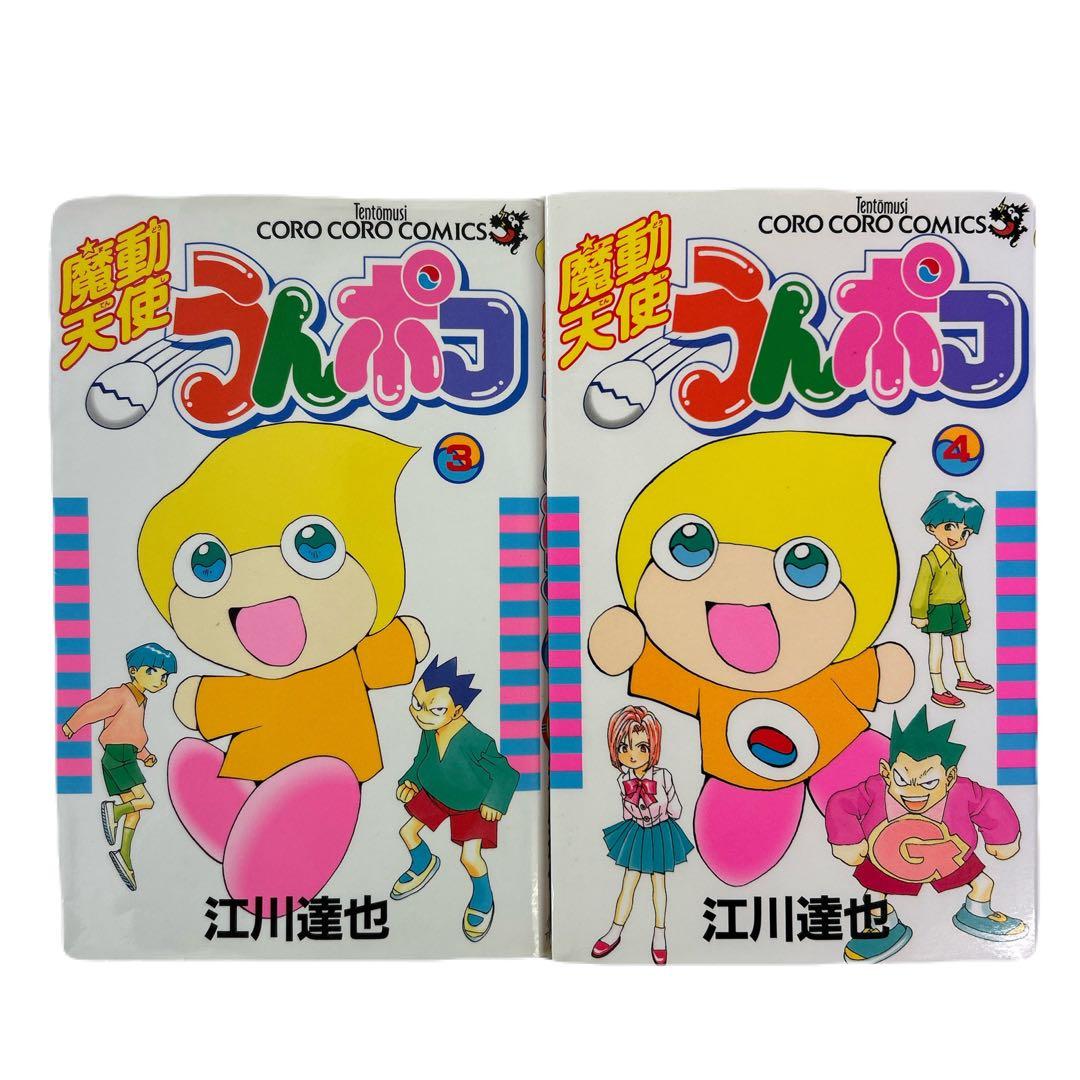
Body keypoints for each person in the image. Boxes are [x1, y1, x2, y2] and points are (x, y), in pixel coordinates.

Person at [587, 431, 915, 886]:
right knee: (738, 841)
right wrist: (628, 644)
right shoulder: (703, 680)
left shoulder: (824, 668)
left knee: (892, 794)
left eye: (805, 568)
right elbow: (643, 661)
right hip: (744, 773)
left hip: (843, 745)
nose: (741, 590)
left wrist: (884, 669)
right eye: (690, 549)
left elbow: (875, 674)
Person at [138, 422, 429, 910]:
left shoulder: (345, 660)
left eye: (312, 546)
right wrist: (198, 699)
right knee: (237, 783)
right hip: (263, 762)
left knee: (314, 799)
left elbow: (384, 656)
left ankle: (278, 867)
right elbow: (220, 702)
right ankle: (241, 825)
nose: (261, 585)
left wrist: (405, 640)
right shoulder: (259, 686)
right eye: (207, 566)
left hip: (333, 768)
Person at [826, 705, 1027, 962]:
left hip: (948, 854)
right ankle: (883, 928)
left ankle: (976, 914)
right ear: (886, 772)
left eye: (929, 782)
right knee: (873, 896)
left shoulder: (963, 791)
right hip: (887, 858)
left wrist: (1003, 837)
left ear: (949, 777)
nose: (914, 791)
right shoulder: (874, 789)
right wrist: (847, 840)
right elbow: (842, 803)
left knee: (983, 884)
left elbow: (990, 803)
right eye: (902, 780)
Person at [392, 657, 519, 943]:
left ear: (457, 710)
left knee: (470, 857)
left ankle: (483, 897)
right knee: (407, 832)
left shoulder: (476, 740)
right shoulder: (429, 731)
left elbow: (506, 773)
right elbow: (420, 761)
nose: (421, 714)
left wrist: (495, 802)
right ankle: (423, 863)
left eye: (435, 709)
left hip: (472, 804)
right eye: (416, 703)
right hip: (436, 792)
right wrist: (409, 782)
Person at [62, 642, 178, 889]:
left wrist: (145, 755)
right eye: (152, 672)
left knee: (135, 811)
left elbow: (133, 734)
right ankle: (113, 812)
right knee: (146, 801)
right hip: (119, 756)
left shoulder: (140, 700)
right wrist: (72, 725)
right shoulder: (121, 694)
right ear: (133, 671)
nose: (160, 680)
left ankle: (124, 855)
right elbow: (93, 709)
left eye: (164, 676)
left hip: (126, 755)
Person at [591, 705, 692, 965]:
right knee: (628, 883)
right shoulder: (622, 780)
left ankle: (660, 934)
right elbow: (626, 813)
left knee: (659, 884)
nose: (632, 755)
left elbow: (676, 810)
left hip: (660, 831)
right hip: (637, 831)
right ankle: (615, 931)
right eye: (624, 748)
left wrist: (657, 805)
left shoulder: (663, 776)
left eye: (642, 747)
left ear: (652, 748)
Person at [910, 489, 993, 708]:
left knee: (958, 643)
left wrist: (965, 613)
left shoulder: (956, 563)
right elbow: (921, 589)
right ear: (932, 527)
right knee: (937, 646)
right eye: (950, 527)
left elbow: (961, 592)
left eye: (965, 533)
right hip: (936, 608)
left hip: (955, 608)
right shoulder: (930, 560)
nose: (957, 536)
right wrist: (918, 613)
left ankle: (965, 677)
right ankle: (938, 687)